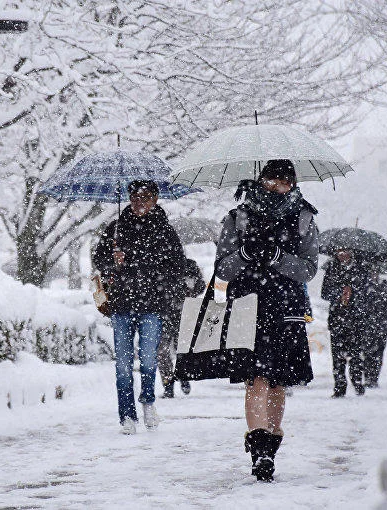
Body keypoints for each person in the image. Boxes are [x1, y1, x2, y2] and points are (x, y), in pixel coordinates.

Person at [214, 159, 319, 482]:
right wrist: (246, 253)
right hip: (248, 307)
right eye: (271, 181)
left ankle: (270, 448)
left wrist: (277, 258)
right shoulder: (238, 218)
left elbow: (308, 269)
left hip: (286, 308)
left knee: (278, 381)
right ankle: (259, 450)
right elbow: (222, 269)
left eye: (284, 181)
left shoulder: (304, 218)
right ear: (261, 181)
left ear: (293, 183)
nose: (277, 187)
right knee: (255, 378)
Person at [92, 180, 186, 435]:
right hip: (121, 305)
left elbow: (178, 266)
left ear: (155, 199)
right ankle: (126, 414)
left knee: (147, 360)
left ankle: (148, 402)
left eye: (145, 197)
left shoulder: (165, 231)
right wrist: (113, 261)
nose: (139, 202)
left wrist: (147, 268)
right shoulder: (116, 228)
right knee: (122, 364)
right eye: (134, 197)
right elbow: (99, 260)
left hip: (152, 305)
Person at [321, 249, 371, 397]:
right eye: (339, 251)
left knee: (356, 355)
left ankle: (357, 383)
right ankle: (339, 387)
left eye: (345, 251)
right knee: (337, 357)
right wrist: (339, 293)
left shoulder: (361, 269)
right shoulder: (331, 269)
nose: (342, 254)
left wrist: (353, 293)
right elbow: (325, 293)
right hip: (337, 319)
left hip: (356, 320)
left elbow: (366, 292)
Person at [158, 258, 206, 398]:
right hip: (164, 313)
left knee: (180, 348)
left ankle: (182, 377)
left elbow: (201, 285)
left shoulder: (189, 264)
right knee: (163, 351)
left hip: (182, 313)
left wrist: (190, 287)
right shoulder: (159, 264)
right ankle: (168, 384)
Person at [363, 270, 387, 387]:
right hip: (367, 325)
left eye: (375, 271)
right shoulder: (364, 285)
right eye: (371, 271)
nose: (373, 274)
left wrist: (385, 315)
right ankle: (368, 377)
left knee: (379, 352)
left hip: (382, 325)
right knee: (368, 352)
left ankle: (374, 378)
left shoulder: (385, 284)